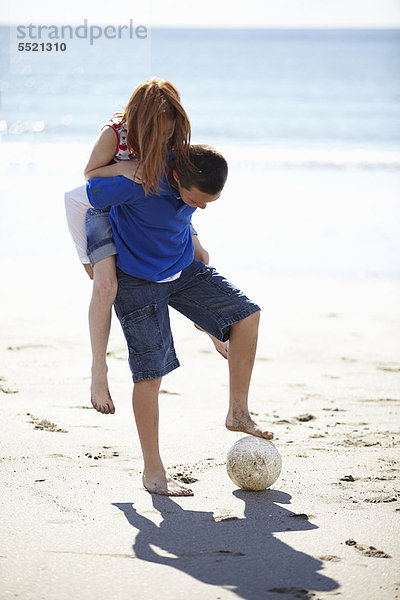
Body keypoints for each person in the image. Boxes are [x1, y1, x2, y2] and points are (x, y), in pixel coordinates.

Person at [86, 144, 274, 497]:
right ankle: (153, 473)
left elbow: (188, 214)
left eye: (207, 202)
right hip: (137, 281)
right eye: (197, 200)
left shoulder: (190, 171)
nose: (200, 207)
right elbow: (90, 189)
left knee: (247, 316)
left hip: (182, 268)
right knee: (150, 374)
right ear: (175, 178)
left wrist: (197, 240)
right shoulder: (140, 182)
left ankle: (238, 412)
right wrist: (123, 170)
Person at [64, 78, 228, 418]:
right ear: (141, 120)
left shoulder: (173, 140)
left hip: (146, 209)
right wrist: (124, 167)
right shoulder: (114, 135)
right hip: (104, 210)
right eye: (161, 131)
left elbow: (180, 188)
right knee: (106, 286)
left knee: (202, 258)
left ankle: (208, 327)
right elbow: (88, 177)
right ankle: (99, 370)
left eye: (171, 132)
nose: (166, 138)